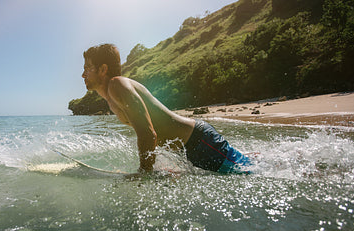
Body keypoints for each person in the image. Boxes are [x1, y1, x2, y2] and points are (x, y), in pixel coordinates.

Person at [82, 43, 251, 174]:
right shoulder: (111, 97)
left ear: (103, 69)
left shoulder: (117, 85)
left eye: (87, 68)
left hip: (200, 142)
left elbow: (147, 133)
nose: (83, 75)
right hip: (186, 149)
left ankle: (272, 163)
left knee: (250, 171)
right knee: (240, 168)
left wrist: (144, 173)